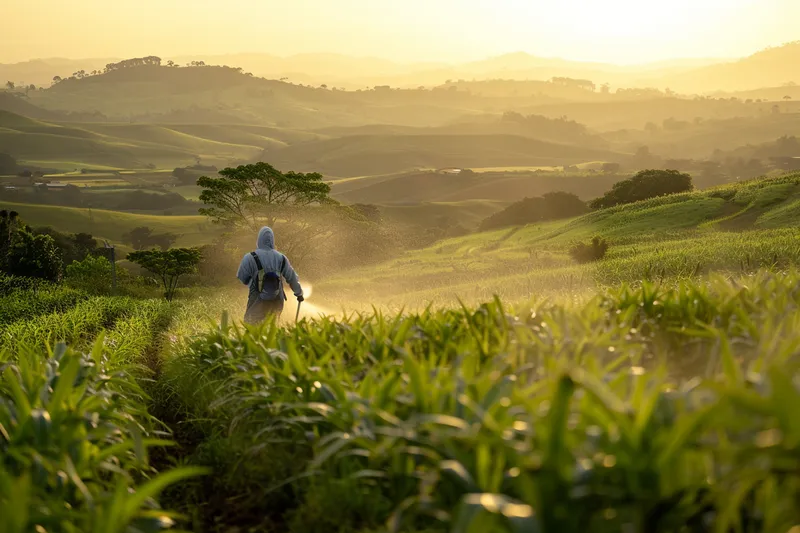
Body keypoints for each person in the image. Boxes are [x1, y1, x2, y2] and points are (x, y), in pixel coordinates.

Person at [237, 226, 303, 324]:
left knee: (252, 325)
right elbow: (292, 278)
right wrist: (299, 293)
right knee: (273, 327)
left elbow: (242, 277)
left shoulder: (249, 257)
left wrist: (255, 282)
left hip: (257, 299)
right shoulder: (281, 258)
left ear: (259, 239)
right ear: (272, 240)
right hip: (277, 299)